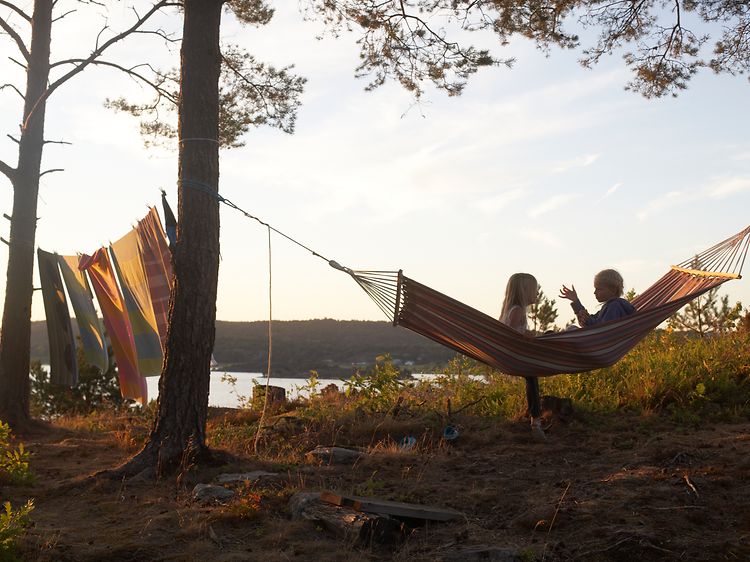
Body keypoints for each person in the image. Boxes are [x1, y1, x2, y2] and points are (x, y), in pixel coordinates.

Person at [499, 272, 546, 441]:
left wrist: (527, 334)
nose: (537, 294)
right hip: (515, 355)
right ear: (523, 291)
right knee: (531, 375)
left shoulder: (513, 309)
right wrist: (525, 334)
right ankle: (536, 421)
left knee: (531, 377)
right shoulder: (517, 310)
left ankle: (536, 420)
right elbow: (508, 334)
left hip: (517, 355)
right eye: (534, 290)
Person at [559, 269, 636, 327]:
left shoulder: (614, 306)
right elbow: (590, 320)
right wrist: (576, 301)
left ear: (613, 289)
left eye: (598, 289)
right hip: (599, 342)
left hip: (601, 342)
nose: (595, 292)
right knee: (571, 329)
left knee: (571, 329)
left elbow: (600, 328)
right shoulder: (612, 306)